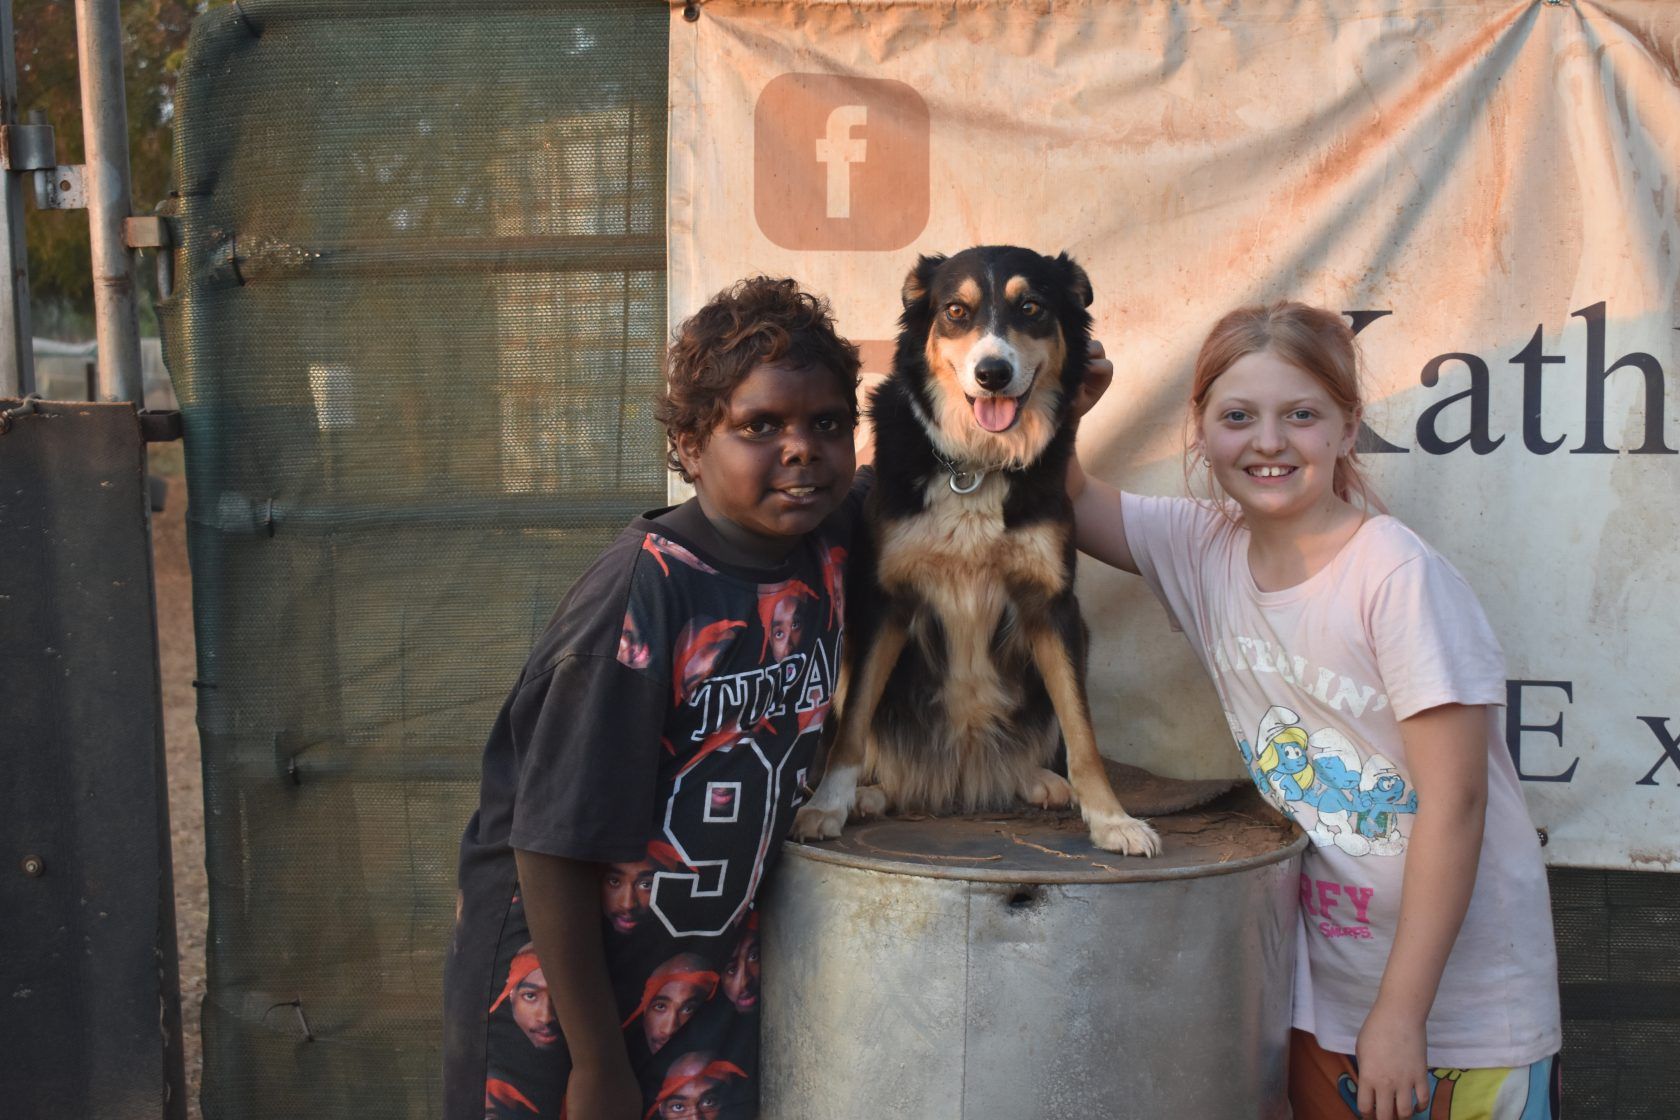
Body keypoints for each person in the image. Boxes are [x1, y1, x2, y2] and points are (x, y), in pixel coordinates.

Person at [1071, 304, 1561, 1120]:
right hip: (1319, 994)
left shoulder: (1396, 576)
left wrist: (1403, 1017)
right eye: (1238, 417)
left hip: (1461, 1015)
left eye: (1301, 415)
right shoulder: (1201, 549)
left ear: (1347, 427)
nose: (1269, 441)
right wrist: (1072, 404)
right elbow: (1068, 496)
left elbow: (1457, 802)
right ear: (1200, 430)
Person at [443, 276, 867, 1120]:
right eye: (761, 426)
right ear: (688, 442)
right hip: (557, 995)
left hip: (698, 973)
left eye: (827, 423)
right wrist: (593, 1064)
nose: (802, 449)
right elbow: (552, 846)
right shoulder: (640, 600)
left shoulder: (826, 544)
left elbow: (962, 469)